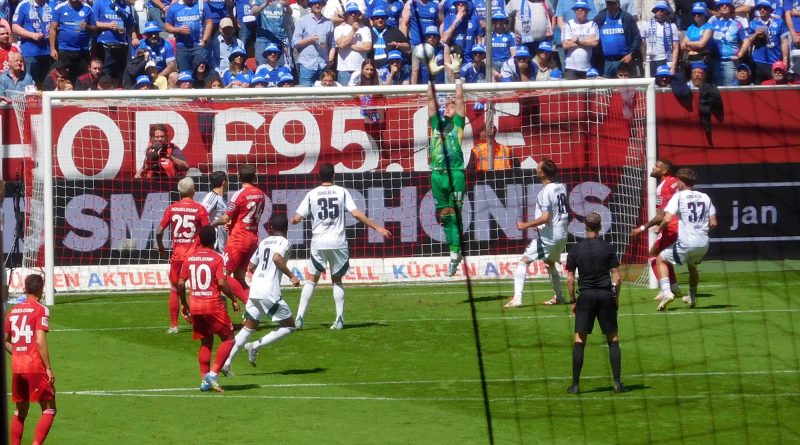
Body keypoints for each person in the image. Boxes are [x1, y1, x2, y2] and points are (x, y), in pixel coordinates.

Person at [291, 163, 390, 330]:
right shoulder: (342, 192)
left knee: (311, 280)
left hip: (319, 243)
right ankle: (339, 319)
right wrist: (377, 227)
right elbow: (356, 213)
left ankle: (300, 317)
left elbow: (297, 217)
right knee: (337, 280)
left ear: (319, 176)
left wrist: (294, 220)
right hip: (338, 243)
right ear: (334, 175)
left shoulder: (312, 194)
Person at [222, 213, 301, 374]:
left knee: (248, 328)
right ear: (286, 228)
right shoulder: (285, 242)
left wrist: (262, 276)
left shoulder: (264, 242)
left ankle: (226, 362)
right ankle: (255, 345)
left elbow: (250, 267)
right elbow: (277, 258)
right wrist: (292, 276)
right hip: (268, 292)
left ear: (271, 228)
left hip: (255, 290)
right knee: (290, 326)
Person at [565, 212, 626, 394]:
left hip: (586, 295)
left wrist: (573, 300)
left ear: (585, 225)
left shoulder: (575, 249)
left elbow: (569, 279)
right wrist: (616, 298)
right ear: (600, 226)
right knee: (613, 339)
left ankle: (575, 385)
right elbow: (617, 277)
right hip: (605, 295)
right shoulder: (608, 247)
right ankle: (617, 384)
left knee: (580, 339)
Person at [177, 226, 240, 392]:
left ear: (199, 240)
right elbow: (221, 283)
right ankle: (213, 373)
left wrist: (184, 303)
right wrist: (233, 298)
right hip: (213, 304)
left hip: (196, 306)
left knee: (205, 342)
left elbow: (181, 283)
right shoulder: (217, 258)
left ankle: (204, 381)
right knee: (229, 338)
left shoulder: (189, 258)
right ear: (215, 240)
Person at [505, 158, 569, 307]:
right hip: (562, 234)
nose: (536, 169)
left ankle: (517, 299)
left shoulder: (544, 192)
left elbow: (546, 217)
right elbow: (554, 213)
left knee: (524, 262)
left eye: (538, 167)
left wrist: (526, 225)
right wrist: (539, 224)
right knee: (549, 263)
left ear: (543, 174)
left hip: (549, 236)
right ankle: (559, 297)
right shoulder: (560, 187)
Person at [425, 53, 467, 276]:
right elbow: (431, 102)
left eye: (450, 108)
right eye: (446, 107)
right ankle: (454, 252)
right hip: (436, 174)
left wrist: (457, 75)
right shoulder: (435, 125)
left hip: (456, 173)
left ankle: (454, 254)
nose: (447, 109)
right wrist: (431, 77)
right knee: (444, 215)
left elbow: (460, 100)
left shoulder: (458, 126)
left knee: (453, 215)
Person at [5, 274, 57, 445]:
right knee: (49, 408)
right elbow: (40, 340)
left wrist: (18, 351)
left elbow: (4, 339)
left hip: (17, 368)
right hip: (35, 366)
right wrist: (48, 368)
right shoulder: (41, 309)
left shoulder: (13, 311)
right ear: (41, 289)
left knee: (20, 412)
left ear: (25, 289)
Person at [655, 167, 717, 310]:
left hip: (687, 242)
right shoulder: (705, 197)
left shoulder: (678, 196)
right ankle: (692, 297)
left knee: (661, 259)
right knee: (693, 267)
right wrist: (700, 230)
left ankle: (666, 293)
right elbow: (713, 223)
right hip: (703, 243)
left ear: (681, 182)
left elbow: (668, 217)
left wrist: (659, 228)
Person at [156, 177, 210, 333]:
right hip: (194, 255)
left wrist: (160, 246)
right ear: (194, 191)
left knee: (174, 288)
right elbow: (206, 231)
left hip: (178, 255)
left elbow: (159, 231)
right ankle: (199, 322)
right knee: (196, 289)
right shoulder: (199, 209)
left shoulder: (172, 208)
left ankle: (174, 326)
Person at [210, 164, 266, 303]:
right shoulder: (260, 194)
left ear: (239, 177)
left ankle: (244, 308)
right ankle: (252, 310)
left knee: (222, 275)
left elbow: (225, 218)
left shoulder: (239, 194)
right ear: (254, 176)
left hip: (238, 240)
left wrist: (207, 226)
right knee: (240, 277)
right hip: (252, 239)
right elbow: (245, 215)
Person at [630, 159, 681, 300]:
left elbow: (661, 216)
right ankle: (674, 287)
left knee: (653, 255)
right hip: (682, 226)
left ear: (664, 171)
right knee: (664, 256)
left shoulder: (663, 187)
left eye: (657, 166)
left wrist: (641, 228)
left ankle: (666, 291)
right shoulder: (676, 182)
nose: (653, 168)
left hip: (670, 226)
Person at [49, 0, 96, 82]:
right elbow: (53, 29)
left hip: (82, 51)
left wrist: (87, 26)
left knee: (83, 79)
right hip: (65, 50)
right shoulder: (59, 8)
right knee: (65, 79)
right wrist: (52, 49)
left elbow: (94, 28)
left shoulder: (87, 8)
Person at [93, 0, 138, 82]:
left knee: (120, 77)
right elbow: (93, 23)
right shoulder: (99, 3)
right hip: (105, 46)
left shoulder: (127, 6)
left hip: (122, 46)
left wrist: (134, 37)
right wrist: (108, 25)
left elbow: (131, 27)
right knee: (105, 77)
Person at [292, 0, 335, 86]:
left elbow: (332, 44)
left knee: (323, 96)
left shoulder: (328, 23)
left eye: (320, 3)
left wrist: (330, 60)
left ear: (323, 5)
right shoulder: (302, 21)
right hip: (307, 65)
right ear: (311, 5)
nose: (317, 5)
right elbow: (294, 43)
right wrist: (310, 39)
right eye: (315, 3)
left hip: (323, 65)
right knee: (306, 96)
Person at [708, 0, 751, 86]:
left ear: (731, 8)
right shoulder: (712, 22)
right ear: (719, 9)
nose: (724, 6)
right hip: (715, 61)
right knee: (717, 89)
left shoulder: (737, 23)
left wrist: (740, 54)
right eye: (722, 5)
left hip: (730, 62)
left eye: (727, 5)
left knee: (730, 88)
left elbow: (746, 41)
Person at [594, 0, 640, 77]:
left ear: (618, 3)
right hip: (605, 61)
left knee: (623, 88)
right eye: (608, 3)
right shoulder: (600, 18)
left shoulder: (627, 18)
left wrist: (631, 54)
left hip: (623, 60)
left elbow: (636, 37)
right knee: (606, 88)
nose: (610, 5)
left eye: (613, 3)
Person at [12, 0, 53, 86]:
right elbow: (15, 27)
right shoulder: (23, 5)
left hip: (49, 51)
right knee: (31, 84)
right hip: (30, 52)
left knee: (48, 84)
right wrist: (32, 35)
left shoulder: (51, 3)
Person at [164, 0, 213, 73]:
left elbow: (209, 22)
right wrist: (178, 30)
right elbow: (167, 26)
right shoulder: (173, 7)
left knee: (201, 72)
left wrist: (204, 40)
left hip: (199, 45)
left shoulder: (202, 5)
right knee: (185, 73)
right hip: (181, 46)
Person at [749, 0, 790, 84]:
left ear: (770, 10)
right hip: (758, 61)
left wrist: (785, 59)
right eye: (760, 8)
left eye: (765, 8)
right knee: (758, 89)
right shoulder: (753, 23)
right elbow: (747, 41)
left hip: (775, 61)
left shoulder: (779, 22)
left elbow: (784, 42)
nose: (762, 10)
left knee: (776, 88)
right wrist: (755, 34)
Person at [335, 2, 373, 85]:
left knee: (361, 96)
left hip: (361, 70)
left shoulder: (365, 29)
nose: (353, 15)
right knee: (345, 96)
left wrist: (351, 45)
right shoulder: (339, 28)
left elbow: (367, 47)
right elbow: (341, 45)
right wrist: (353, 30)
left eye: (355, 13)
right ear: (346, 15)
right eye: (350, 13)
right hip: (344, 70)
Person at [639, 1, 679, 77]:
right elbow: (643, 44)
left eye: (662, 10)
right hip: (650, 60)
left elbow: (676, 48)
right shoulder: (645, 25)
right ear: (655, 11)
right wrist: (643, 59)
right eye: (657, 10)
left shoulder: (672, 26)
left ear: (666, 12)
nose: (660, 12)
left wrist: (673, 65)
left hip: (666, 60)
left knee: (666, 84)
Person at [562, 0, 599, 79]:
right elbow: (565, 45)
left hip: (588, 68)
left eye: (583, 8)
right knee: (571, 91)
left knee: (587, 91)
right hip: (571, 68)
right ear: (574, 11)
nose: (580, 10)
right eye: (577, 8)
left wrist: (577, 40)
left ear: (587, 11)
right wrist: (587, 41)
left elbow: (595, 43)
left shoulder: (592, 24)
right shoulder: (568, 24)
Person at [201, 171, 229, 253]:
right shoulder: (212, 197)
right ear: (224, 182)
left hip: (222, 242)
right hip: (215, 243)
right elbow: (202, 215)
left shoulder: (222, 200)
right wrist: (214, 224)